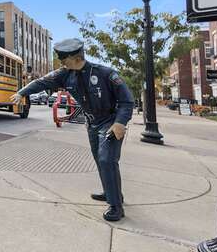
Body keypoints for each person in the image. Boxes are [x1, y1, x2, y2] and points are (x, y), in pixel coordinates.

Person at [10, 38, 133, 221]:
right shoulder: (65, 74)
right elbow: (42, 82)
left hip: (110, 122)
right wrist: (22, 93)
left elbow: (126, 101)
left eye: (64, 59)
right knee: (100, 160)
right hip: (92, 124)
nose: (61, 63)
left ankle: (116, 206)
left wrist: (120, 122)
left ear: (76, 57)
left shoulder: (105, 73)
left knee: (107, 160)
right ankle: (110, 192)